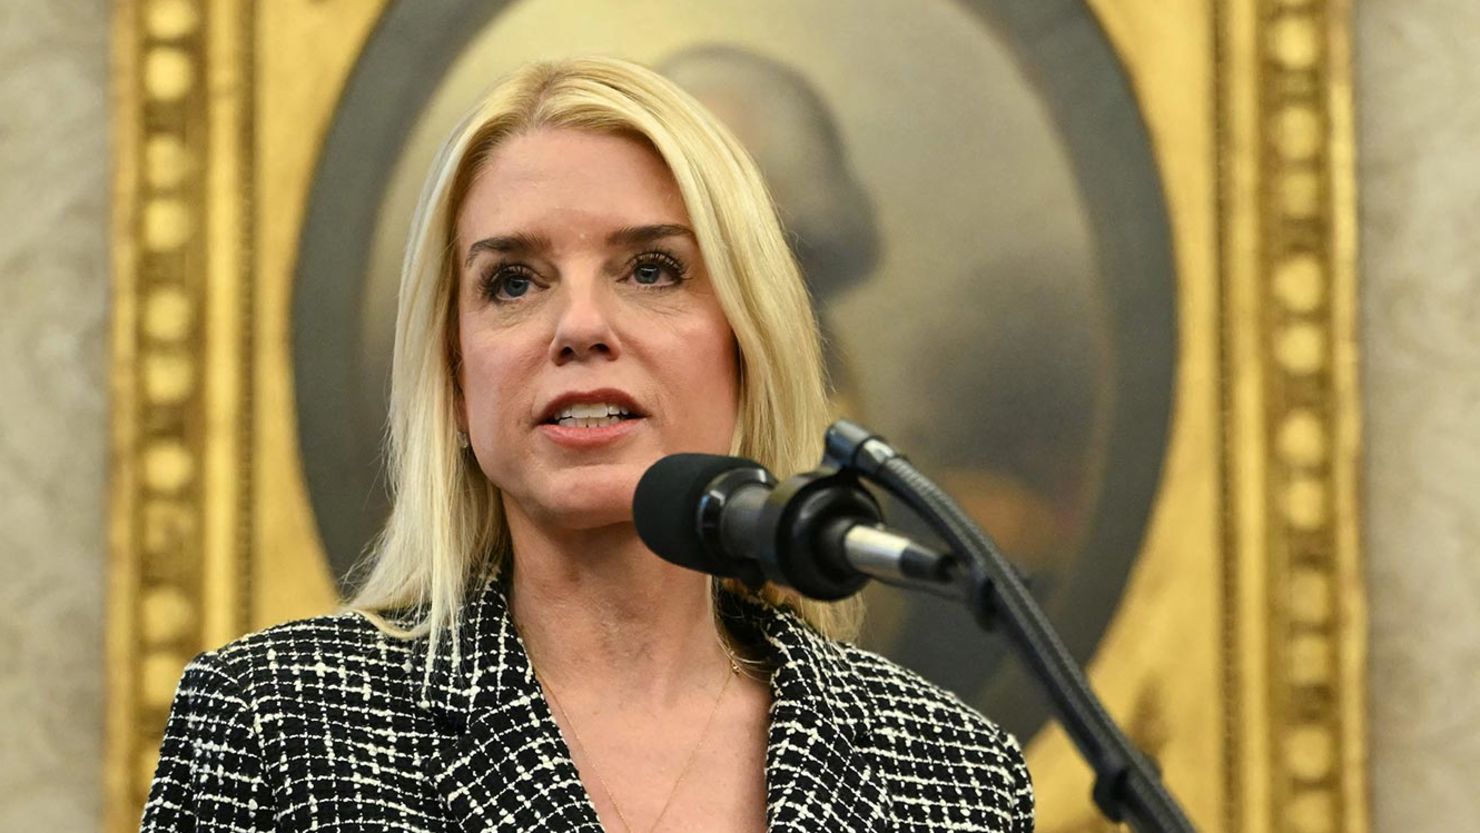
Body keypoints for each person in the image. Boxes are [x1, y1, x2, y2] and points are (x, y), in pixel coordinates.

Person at [140, 56, 1034, 832]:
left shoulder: (953, 774)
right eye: (513, 281)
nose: (577, 326)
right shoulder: (272, 728)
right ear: (455, 379)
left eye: (651, 269)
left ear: (747, 347)